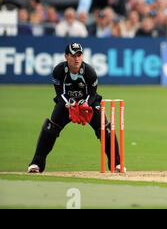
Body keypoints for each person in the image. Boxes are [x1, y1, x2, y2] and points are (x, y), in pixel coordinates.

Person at [27, 42, 124, 173]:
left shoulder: (90, 72)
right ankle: (36, 164)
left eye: (79, 55)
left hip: (88, 103)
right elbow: (60, 95)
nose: (77, 58)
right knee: (50, 127)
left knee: (105, 128)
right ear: (66, 56)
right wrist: (71, 104)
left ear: (82, 56)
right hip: (67, 104)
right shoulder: (59, 71)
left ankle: (116, 164)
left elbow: (92, 94)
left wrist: (84, 104)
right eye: (73, 55)